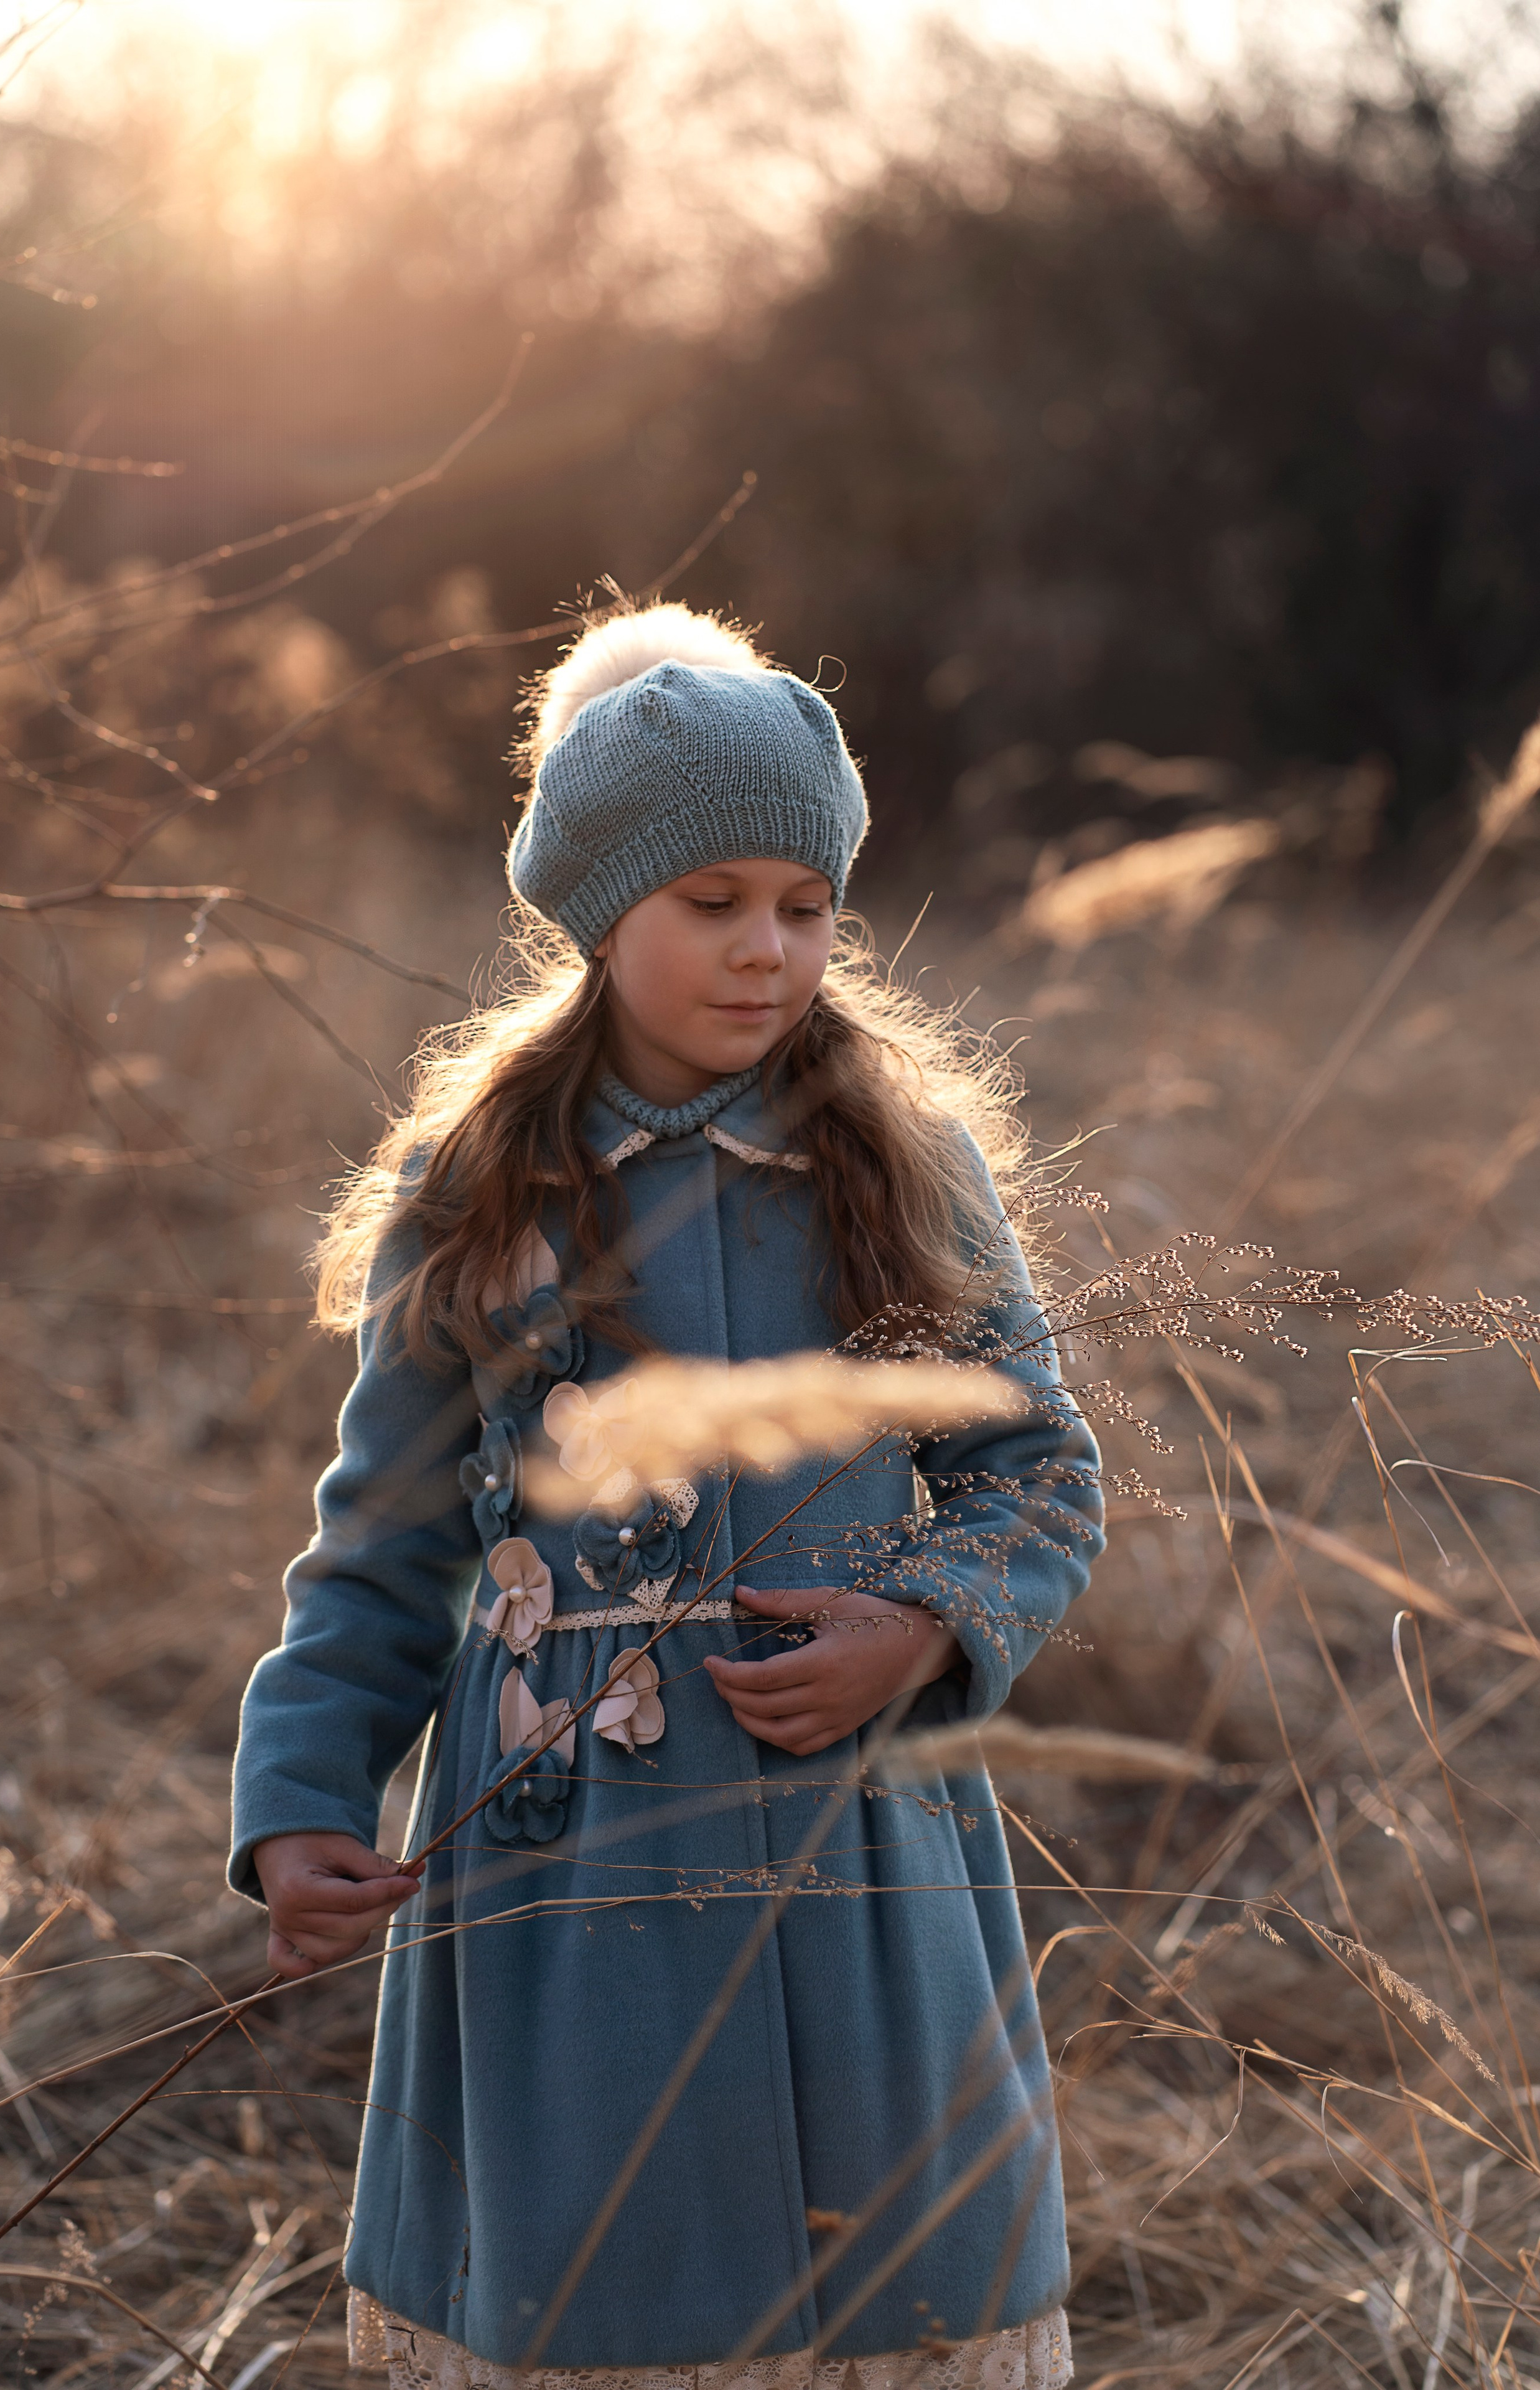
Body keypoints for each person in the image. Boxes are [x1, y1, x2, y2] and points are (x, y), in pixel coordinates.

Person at [228, 602, 1105, 2390]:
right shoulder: (476, 1187)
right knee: (597, 2277)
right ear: (600, 905)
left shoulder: (900, 1165)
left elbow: (1036, 1472)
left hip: (853, 1827)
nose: (768, 952)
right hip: (568, 1850)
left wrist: (927, 1628)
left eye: (806, 905)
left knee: (889, 2283)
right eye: (713, 905)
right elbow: (387, 1544)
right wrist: (303, 1786)